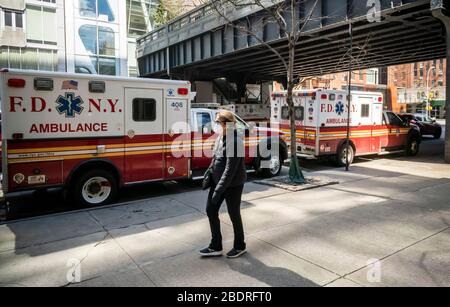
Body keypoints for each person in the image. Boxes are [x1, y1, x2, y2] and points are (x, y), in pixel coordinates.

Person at [199, 110, 247, 259]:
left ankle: (240, 246)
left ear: (226, 124)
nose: (217, 126)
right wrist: (209, 173)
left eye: (218, 123)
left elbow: (229, 170)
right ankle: (216, 246)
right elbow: (216, 158)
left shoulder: (235, 141)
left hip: (233, 184)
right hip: (217, 181)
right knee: (210, 210)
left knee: (234, 214)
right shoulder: (222, 136)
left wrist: (218, 190)